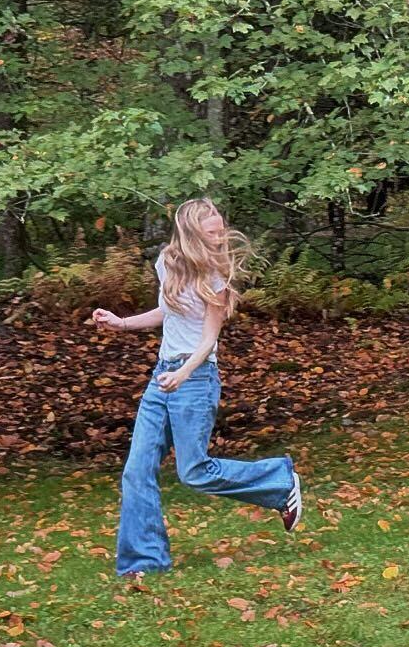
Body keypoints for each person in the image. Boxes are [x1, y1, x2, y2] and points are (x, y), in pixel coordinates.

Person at [92, 198, 303, 577]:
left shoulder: (215, 278)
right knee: (136, 470)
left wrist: (183, 375)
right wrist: (120, 323)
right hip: (164, 375)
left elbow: (208, 340)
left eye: (221, 229)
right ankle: (145, 561)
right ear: (190, 231)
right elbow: (167, 312)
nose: (220, 237)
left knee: (194, 472)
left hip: (195, 378)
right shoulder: (167, 263)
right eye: (212, 231)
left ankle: (279, 481)